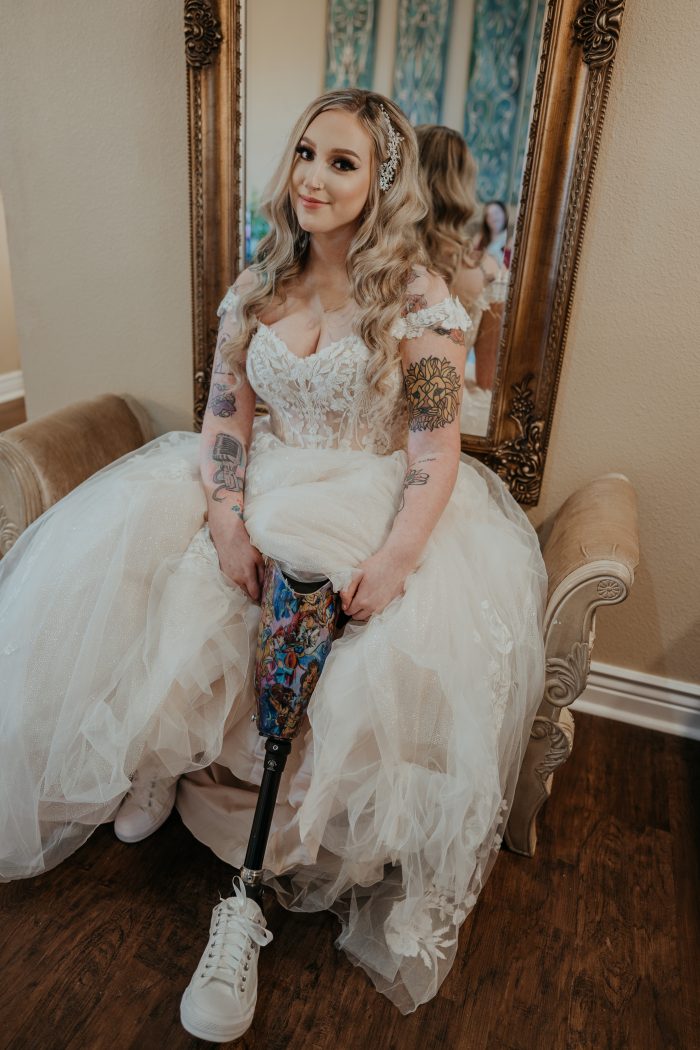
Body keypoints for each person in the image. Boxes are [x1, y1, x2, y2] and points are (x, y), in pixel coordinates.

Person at [0, 90, 546, 1035]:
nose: (314, 178)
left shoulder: (418, 299)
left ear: (384, 182)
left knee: (317, 607)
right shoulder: (257, 288)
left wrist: (398, 557)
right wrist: (223, 516)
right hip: (262, 478)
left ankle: (250, 890)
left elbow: (432, 450)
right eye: (305, 153)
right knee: (160, 558)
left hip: (365, 494)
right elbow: (224, 417)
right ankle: (161, 757)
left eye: (342, 162)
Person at [415, 125, 509, 434]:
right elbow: (487, 377)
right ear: (463, 184)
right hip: (442, 425)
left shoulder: (375, 259)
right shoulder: (486, 271)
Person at [479, 200, 511, 267]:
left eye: (496, 213)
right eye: (488, 215)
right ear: (486, 220)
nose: (493, 217)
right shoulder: (479, 239)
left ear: (504, 214)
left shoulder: (512, 241)